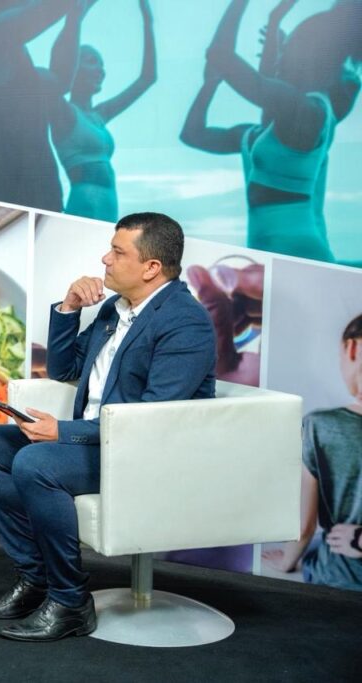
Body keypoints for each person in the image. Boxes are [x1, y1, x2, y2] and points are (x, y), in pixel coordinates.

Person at [0, 212, 216, 642]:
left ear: (151, 267)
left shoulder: (184, 321)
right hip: (99, 441)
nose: (105, 259)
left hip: (144, 453)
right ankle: (36, 579)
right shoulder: (114, 309)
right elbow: (65, 369)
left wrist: (62, 433)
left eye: (118, 252)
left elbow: (149, 419)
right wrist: (68, 309)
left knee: (36, 463)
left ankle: (70, 602)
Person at [180, 0, 361, 263]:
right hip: (273, 255)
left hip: (299, 256)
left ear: (304, 57)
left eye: (285, 48)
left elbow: (221, 55)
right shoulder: (261, 134)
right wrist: (211, 82)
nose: (279, 55)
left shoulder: (308, 111)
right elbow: (192, 135)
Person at [0, 0, 93, 211]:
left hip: (40, 197)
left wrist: (75, 17)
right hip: (9, 200)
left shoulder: (13, 57)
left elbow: (60, 81)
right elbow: (53, 7)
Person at [263, 314, 362, 591]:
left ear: (351, 349)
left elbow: (304, 528)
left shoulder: (320, 426)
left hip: (340, 579)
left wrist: (286, 562)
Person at [50, 0, 156, 222]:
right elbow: (60, 60)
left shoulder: (99, 116)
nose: (101, 70)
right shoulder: (64, 113)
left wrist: (148, 22)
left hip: (108, 208)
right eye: (92, 62)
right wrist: (77, 14)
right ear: (73, 66)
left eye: (102, 65)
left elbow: (147, 78)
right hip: (84, 207)